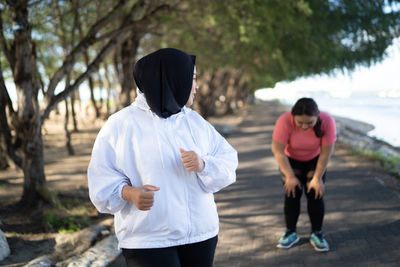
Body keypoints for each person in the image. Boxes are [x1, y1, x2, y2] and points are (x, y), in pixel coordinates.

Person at [87, 48, 238, 267]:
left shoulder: (194, 121)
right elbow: (101, 179)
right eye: (192, 79)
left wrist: (203, 164)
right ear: (172, 79)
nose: (195, 87)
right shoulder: (120, 124)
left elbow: (228, 160)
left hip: (200, 234)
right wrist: (129, 193)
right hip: (147, 239)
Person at [271, 98, 336, 252]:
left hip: (315, 160)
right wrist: (290, 177)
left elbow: (326, 153)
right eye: (300, 123)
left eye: (310, 123)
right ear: (293, 116)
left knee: (315, 193)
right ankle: (291, 232)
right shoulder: (284, 121)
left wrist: (317, 178)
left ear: (318, 117)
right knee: (292, 193)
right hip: (290, 160)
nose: (305, 127)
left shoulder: (327, 121)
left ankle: (317, 233)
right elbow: (278, 150)